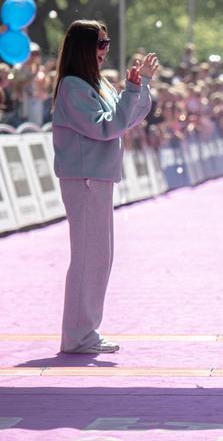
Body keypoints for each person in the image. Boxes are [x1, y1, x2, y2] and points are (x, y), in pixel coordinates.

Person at [51, 20, 158, 354]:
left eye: (107, 42)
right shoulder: (73, 87)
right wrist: (131, 92)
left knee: (99, 257)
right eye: (101, 43)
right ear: (83, 48)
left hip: (96, 177)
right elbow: (108, 127)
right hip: (84, 179)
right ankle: (78, 334)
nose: (106, 49)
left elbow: (129, 117)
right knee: (88, 257)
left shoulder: (96, 84)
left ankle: (85, 331)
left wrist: (139, 86)